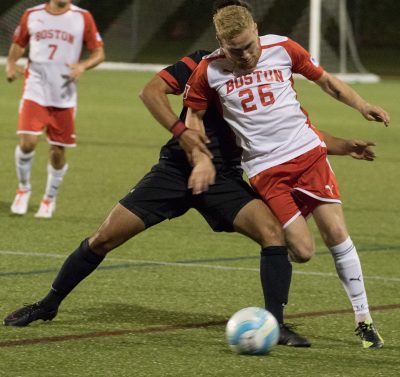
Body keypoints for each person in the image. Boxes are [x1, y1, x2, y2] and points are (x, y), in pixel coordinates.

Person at [2, 48, 374, 348]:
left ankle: (275, 325)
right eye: (231, 40)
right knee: (104, 237)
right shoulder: (200, 63)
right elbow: (151, 91)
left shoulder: (263, 67)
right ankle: (48, 304)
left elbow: (293, 130)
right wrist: (183, 134)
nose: (240, 49)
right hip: (176, 171)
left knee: (273, 234)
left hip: (223, 178)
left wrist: (342, 145)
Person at [183, 1, 390, 349]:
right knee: (304, 251)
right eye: (236, 50)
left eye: (250, 45)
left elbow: (326, 82)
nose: (246, 55)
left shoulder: (282, 48)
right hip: (265, 170)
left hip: (308, 155)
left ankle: (364, 320)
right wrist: (200, 156)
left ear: (256, 32)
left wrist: (361, 105)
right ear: (221, 43)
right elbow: (193, 118)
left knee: (337, 232)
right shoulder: (208, 71)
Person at [6, 0, 105, 218]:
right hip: (35, 87)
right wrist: (11, 63)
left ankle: (49, 199)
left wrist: (82, 66)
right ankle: (23, 190)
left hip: (64, 94)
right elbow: (19, 42)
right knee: (27, 142)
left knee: (58, 151)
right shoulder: (32, 14)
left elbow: (98, 52)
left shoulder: (83, 17)